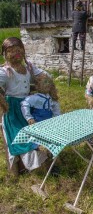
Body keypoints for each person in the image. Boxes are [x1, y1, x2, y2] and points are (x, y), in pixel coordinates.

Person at [0, 37, 53, 174]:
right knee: (19, 136)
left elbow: (43, 75)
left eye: (19, 49)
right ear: (5, 54)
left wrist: (45, 83)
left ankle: (37, 162)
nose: (16, 53)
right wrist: (3, 102)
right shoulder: (5, 71)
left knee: (34, 133)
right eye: (11, 50)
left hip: (28, 104)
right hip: (13, 108)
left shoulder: (28, 67)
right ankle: (21, 168)